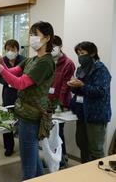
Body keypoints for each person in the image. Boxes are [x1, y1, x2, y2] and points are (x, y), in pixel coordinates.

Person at [0, 21, 55, 180]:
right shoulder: (32, 60)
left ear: (46, 38)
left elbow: (20, 83)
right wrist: (1, 62)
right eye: (30, 34)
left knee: (27, 159)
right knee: (32, 156)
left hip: (32, 115)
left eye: (35, 35)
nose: (32, 38)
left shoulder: (46, 62)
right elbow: (13, 72)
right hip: (24, 112)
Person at [68, 41, 111, 163]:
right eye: (78, 53)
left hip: (96, 114)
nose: (80, 56)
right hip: (82, 113)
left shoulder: (101, 70)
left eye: (83, 53)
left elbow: (100, 91)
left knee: (96, 149)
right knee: (82, 144)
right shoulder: (81, 69)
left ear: (92, 53)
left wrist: (82, 84)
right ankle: (85, 171)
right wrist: (73, 85)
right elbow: (79, 92)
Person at [48, 35, 75, 167]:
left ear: (60, 47)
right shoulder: (48, 60)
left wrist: (60, 105)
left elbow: (65, 86)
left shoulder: (68, 63)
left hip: (61, 103)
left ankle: (62, 158)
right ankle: (52, 158)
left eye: (53, 47)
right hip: (47, 102)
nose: (51, 50)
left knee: (58, 132)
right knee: (49, 132)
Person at [0, 39, 25, 157]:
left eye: (12, 49)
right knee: (7, 122)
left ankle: (23, 145)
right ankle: (8, 147)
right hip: (8, 94)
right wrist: (6, 82)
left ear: (17, 50)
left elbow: (25, 76)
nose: (10, 51)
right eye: (8, 49)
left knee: (21, 122)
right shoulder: (3, 61)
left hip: (21, 95)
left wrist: (16, 82)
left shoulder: (23, 60)